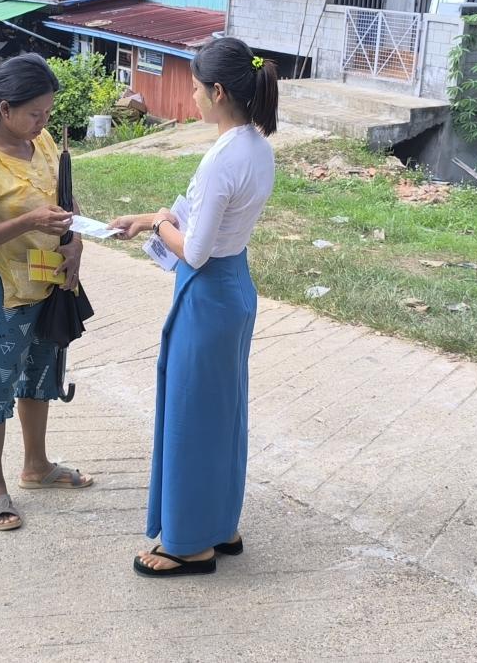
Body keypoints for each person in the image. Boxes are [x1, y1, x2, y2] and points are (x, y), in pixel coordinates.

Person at [109, 36, 279, 577]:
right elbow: (210, 222)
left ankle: (188, 544)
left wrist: (161, 224)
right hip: (235, 288)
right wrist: (148, 219)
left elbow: (197, 250)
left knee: (189, 414)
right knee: (222, 413)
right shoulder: (258, 146)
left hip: (205, 295)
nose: (193, 96)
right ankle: (221, 524)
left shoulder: (221, 158)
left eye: (197, 88)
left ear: (219, 91)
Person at [0, 53, 95, 533]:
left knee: (39, 378)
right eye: (34, 113)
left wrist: (75, 244)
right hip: (0, 292)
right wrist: (28, 221)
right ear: (5, 109)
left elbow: (65, 201)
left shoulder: (41, 141)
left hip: (47, 282)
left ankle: (37, 466)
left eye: (47, 112)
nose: (43, 122)